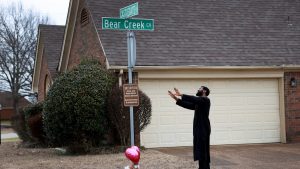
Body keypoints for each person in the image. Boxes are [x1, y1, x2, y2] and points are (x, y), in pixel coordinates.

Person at [168, 86, 211, 169]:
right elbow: (189, 105)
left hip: (203, 130)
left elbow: (194, 99)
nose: (198, 89)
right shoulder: (199, 103)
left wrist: (181, 94)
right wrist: (175, 99)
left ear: (204, 91)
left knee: (203, 151)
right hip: (199, 130)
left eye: (200, 88)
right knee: (200, 150)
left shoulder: (205, 100)